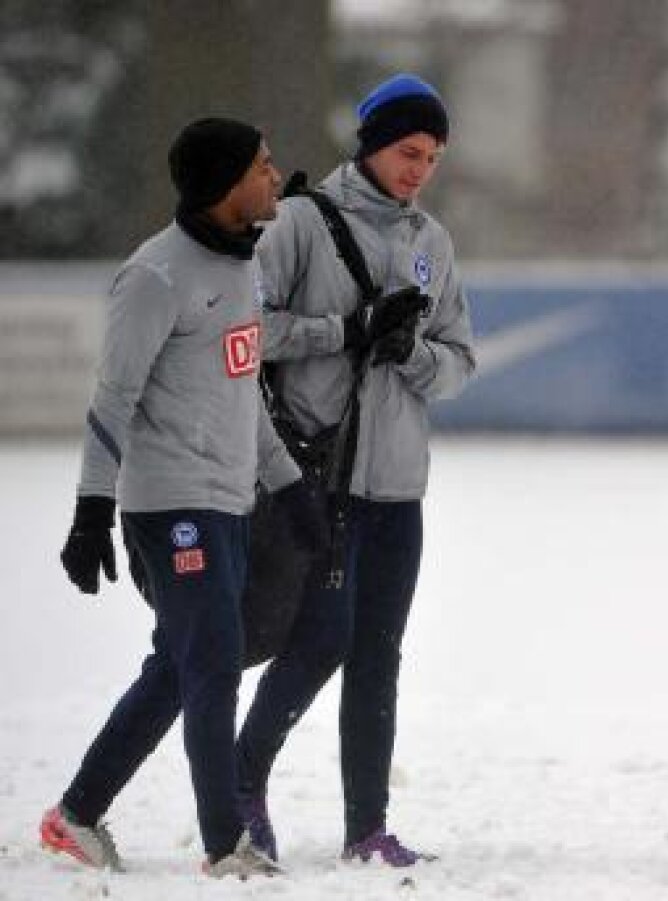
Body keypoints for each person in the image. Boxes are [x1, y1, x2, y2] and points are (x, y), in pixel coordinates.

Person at [39, 117, 327, 878]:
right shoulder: (154, 277)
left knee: (179, 663)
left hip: (228, 500)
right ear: (228, 181)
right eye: (264, 167)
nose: (276, 178)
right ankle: (225, 842)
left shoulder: (240, 271)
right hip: (170, 507)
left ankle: (75, 812)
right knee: (214, 661)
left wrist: (292, 490)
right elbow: (112, 398)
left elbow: (245, 402)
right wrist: (91, 509)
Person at [232, 73, 475, 866]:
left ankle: (366, 826)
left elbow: (462, 362)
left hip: (398, 487)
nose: (419, 170)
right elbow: (246, 330)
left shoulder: (431, 242)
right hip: (318, 479)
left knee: (379, 654)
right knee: (318, 642)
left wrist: (410, 350)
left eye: (433, 157)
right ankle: (242, 784)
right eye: (409, 151)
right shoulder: (301, 222)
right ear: (372, 143)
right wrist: (344, 329)